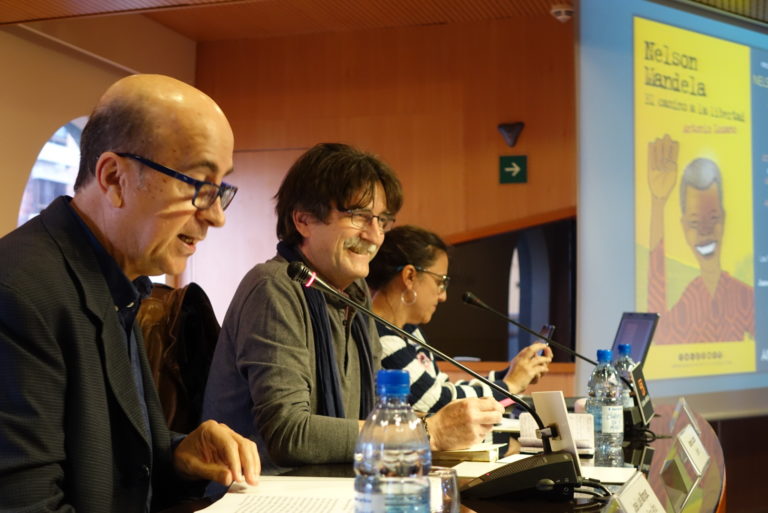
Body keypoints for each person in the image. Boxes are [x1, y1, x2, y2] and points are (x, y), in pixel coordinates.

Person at [0, 74, 259, 513]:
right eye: (199, 186)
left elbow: (95, 458)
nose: (217, 216)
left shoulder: (121, 281)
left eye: (221, 190)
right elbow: (26, 504)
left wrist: (176, 454)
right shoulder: (21, 292)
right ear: (115, 178)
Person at [203, 143, 504, 473]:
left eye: (382, 220)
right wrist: (426, 432)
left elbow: (375, 413)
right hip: (261, 495)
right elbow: (288, 433)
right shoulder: (274, 287)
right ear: (303, 220)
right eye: (358, 216)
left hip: (331, 484)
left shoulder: (354, 295)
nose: (374, 235)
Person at [366, 225, 553, 414]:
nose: (443, 296)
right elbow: (439, 403)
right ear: (409, 276)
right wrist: (510, 386)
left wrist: (513, 373)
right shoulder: (380, 336)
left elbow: (441, 388)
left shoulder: (408, 330)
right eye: (440, 282)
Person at [647, 134, 754, 344]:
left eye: (713, 219)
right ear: (684, 227)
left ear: (723, 219)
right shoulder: (687, 302)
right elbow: (657, 329)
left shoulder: (744, 296)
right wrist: (658, 203)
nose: (705, 231)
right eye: (695, 222)